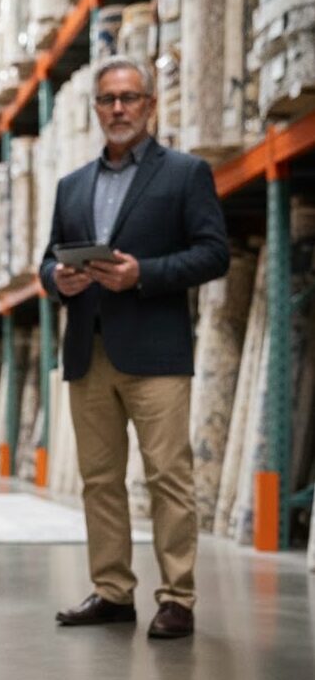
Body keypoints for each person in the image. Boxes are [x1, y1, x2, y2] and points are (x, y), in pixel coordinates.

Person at [39, 55, 230, 639]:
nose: (117, 108)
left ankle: (177, 597)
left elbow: (213, 253)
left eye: (128, 98)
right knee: (99, 478)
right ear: (95, 108)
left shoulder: (184, 173)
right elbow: (48, 260)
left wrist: (141, 273)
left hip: (155, 350)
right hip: (87, 348)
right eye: (107, 99)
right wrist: (58, 280)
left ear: (149, 105)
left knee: (168, 474)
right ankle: (114, 591)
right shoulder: (72, 184)